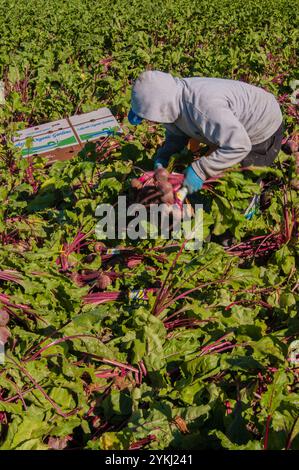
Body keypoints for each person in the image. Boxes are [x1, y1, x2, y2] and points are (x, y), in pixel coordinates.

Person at [128, 71, 283, 194]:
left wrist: (200, 171)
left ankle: (251, 206)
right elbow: (176, 135)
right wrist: (164, 156)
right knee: (219, 160)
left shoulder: (203, 107)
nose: (151, 122)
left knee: (243, 181)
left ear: (162, 108)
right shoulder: (171, 102)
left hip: (262, 125)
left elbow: (239, 145)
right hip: (230, 126)